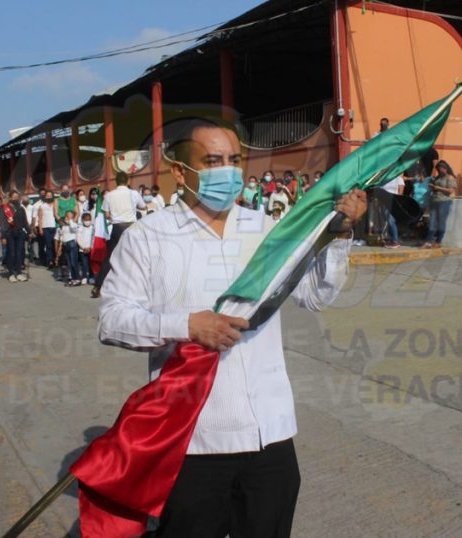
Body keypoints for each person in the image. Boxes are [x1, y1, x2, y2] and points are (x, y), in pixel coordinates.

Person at [98, 117, 366, 538]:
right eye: (213, 161)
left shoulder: (263, 229)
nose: (228, 171)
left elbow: (314, 296)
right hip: (193, 439)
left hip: (270, 434)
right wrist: (186, 325)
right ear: (180, 172)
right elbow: (112, 320)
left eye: (234, 159)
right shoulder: (148, 238)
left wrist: (341, 236)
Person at [90, 171, 145, 298]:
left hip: (117, 228)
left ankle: (97, 286)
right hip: (132, 227)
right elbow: (142, 207)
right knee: (136, 257)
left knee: (110, 258)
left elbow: (106, 214)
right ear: (128, 181)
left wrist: (115, 215)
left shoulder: (109, 195)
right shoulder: (133, 193)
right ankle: (138, 288)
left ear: (116, 182)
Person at [423, 160, 458, 249]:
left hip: (444, 201)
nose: (440, 170)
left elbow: (451, 191)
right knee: (432, 221)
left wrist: (437, 187)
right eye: (438, 169)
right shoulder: (438, 177)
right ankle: (428, 241)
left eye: (441, 168)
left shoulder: (450, 177)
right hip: (435, 201)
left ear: (445, 168)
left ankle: (439, 241)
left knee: (441, 222)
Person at [0, 190, 31, 282]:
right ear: (10, 198)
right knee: (11, 253)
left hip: (20, 233)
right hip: (9, 233)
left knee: (19, 253)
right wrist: (3, 236)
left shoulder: (21, 208)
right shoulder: (4, 208)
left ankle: (19, 272)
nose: (15, 198)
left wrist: (29, 232)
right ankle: (11, 273)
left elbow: (25, 222)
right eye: (14, 197)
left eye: (17, 197)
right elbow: (3, 223)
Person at [55, 211, 81, 286]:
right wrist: (60, 247)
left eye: (69, 216)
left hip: (72, 244)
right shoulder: (63, 226)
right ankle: (73, 279)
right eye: (66, 216)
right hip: (65, 245)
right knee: (69, 263)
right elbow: (62, 236)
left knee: (73, 263)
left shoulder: (74, 224)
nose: (67, 217)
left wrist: (70, 221)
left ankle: (77, 279)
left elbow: (74, 229)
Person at [380, 172, 405, 249]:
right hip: (384, 202)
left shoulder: (398, 178)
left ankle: (395, 241)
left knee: (391, 221)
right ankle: (392, 239)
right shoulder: (384, 178)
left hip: (393, 202)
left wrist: (397, 202)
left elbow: (401, 191)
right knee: (387, 220)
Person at [36, 190, 58, 267]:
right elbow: (40, 218)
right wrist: (40, 229)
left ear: (52, 196)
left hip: (54, 227)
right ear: (45, 197)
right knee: (48, 245)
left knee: (54, 244)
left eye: (50, 195)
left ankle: (56, 259)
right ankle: (50, 261)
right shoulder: (42, 206)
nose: (49, 197)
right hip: (46, 227)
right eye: (47, 195)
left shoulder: (55, 204)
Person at [75, 212, 94, 284]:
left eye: (89, 219)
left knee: (91, 263)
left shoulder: (93, 228)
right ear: (82, 220)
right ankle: (84, 277)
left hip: (91, 248)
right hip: (83, 249)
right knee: (84, 263)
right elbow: (78, 239)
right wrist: (83, 247)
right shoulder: (80, 228)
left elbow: (93, 239)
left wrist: (90, 247)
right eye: (86, 220)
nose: (87, 221)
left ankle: (91, 277)